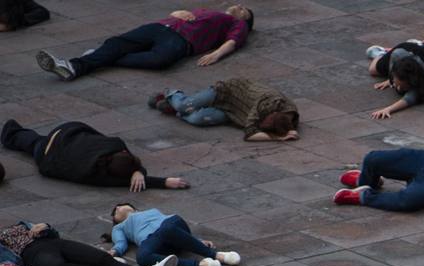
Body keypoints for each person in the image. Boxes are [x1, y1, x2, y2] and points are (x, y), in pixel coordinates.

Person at [37, 6, 253, 79]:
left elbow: (233, 41)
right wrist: (177, 12)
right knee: (118, 42)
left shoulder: (237, 23)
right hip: (162, 27)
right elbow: (177, 13)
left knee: (160, 60)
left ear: (245, 20)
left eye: (244, 9)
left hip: (181, 40)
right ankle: (73, 67)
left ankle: (93, 60)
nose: (240, 5)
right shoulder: (211, 12)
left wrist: (216, 54)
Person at [1, 120, 190, 192]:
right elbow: (122, 182)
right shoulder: (94, 175)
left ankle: (11, 130)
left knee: (33, 140)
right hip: (49, 154)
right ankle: (9, 132)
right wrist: (160, 180)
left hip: (65, 133)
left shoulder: (115, 145)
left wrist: (139, 171)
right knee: (33, 143)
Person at [0, 221, 173, 266]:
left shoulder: (19, 225)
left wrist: (46, 227)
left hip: (51, 243)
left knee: (102, 257)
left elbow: (53, 234)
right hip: (31, 255)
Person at [151, 77, 299, 140]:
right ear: (272, 113)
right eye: (264, 122)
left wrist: (284, 134)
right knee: (184, 106)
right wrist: (277, 138)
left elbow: (285, 128)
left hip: (234, 113)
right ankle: (172, 94)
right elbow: (250, 133)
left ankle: (174, 110)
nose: (261, 124)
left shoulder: (288, 117)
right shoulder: (267, 104)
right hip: (226, 92)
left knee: (197, 119)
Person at [109, 204, 240, 266]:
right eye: (115, 211)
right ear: (116, 221)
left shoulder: (149, 211)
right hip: (153, 239)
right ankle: (202, 265)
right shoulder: (119, 227)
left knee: (168, 229)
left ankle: (216, 255)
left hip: (170, 224)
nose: (118, 208)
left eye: (120, 205)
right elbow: (120, 242)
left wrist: (196, 240)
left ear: (133, 208)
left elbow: (175, 228)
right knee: (142, 258)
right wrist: (114, 252)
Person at [364, 39, 424, 120]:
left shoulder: (422, 81)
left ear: (412, 82)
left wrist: (388, 109)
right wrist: (390, 80)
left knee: (374, 68)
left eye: (403, 87)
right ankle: (382, 53)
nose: (398, 89)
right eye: (396, 84)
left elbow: (410, 98)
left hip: (421, 55)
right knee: (373, 70)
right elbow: (394, 62)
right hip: (403, 49)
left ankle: (422, 46)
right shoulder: (396, 56)